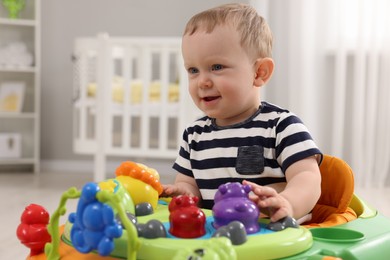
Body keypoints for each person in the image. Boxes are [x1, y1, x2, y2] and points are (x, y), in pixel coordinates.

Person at [162, 3, 322, 223]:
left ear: (259, 72)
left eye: (217, 67)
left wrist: (288, 203)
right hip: (216, 235)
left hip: (273, 234)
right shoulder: (194, 134)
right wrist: (184, 194)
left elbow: (308, 178)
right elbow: (189, 184)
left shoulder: (281, 126)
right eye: (193, 70)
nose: (203, 81)